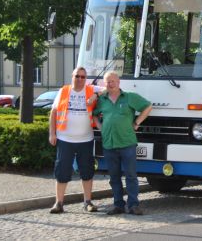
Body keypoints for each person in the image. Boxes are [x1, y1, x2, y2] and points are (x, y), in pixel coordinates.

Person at [92, 71, 153, 215]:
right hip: (109, 144)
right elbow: (94, 115)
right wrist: (101, 128)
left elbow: (148, 106)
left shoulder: (130, 97)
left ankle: (133, 205)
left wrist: (137, 122)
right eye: (107, 82)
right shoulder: (102, 100)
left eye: (113, 81)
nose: (110, 84)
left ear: (119, 82)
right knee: (114, 177)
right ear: (104, 84)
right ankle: (118, 205)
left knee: (131, 175)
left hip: (127, 143)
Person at [48, 66, 104, 214]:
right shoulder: (64, 91)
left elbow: (111, 87)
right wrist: (52, 133)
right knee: (62, 171)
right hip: (64, 139)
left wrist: (96, 96)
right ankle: (59, 203)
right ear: (72, 76)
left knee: (87, 171)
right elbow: (53, 112)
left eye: (83, 77)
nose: (80, 79)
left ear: (86, 79)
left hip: (86, 139)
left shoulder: (91, 89)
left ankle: (87, 202)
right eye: (77, 76)